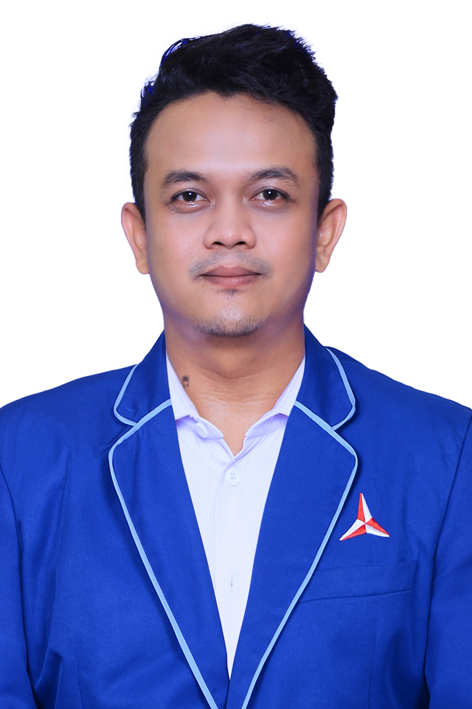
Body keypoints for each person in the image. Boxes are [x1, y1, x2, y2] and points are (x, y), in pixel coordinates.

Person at [0, 23, 471, 709]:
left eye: (269, 194)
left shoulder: (447, 457)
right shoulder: (21, 459)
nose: (229, 231)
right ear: (139, 234)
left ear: (325, 231)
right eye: (189, 196)